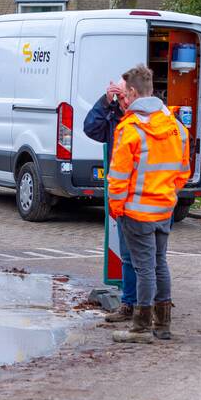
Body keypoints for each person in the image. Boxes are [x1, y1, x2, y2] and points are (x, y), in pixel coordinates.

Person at [106, 65, 189, 343]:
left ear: (131, 92)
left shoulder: (129, 129)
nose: (124, 101)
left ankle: (140, 327)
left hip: (136, 212)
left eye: (125, 95)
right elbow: (182, 171)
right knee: (159, 264)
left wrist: (117, 208)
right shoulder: (175, 127)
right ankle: (163, 324)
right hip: (164, 208)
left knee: (143, 268)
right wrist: (168, 194)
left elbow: (118, 178)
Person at [84, 78, 137, 324]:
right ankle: (131, 303)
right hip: (123, 200)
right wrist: (105, 102)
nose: (123, 101)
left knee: (148, 258)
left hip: (144, 198)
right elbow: (90, 128)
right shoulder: (114, 116)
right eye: (120, 96)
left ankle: (149, 303)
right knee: (127, 255)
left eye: (125, 95)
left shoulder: (148, 119)